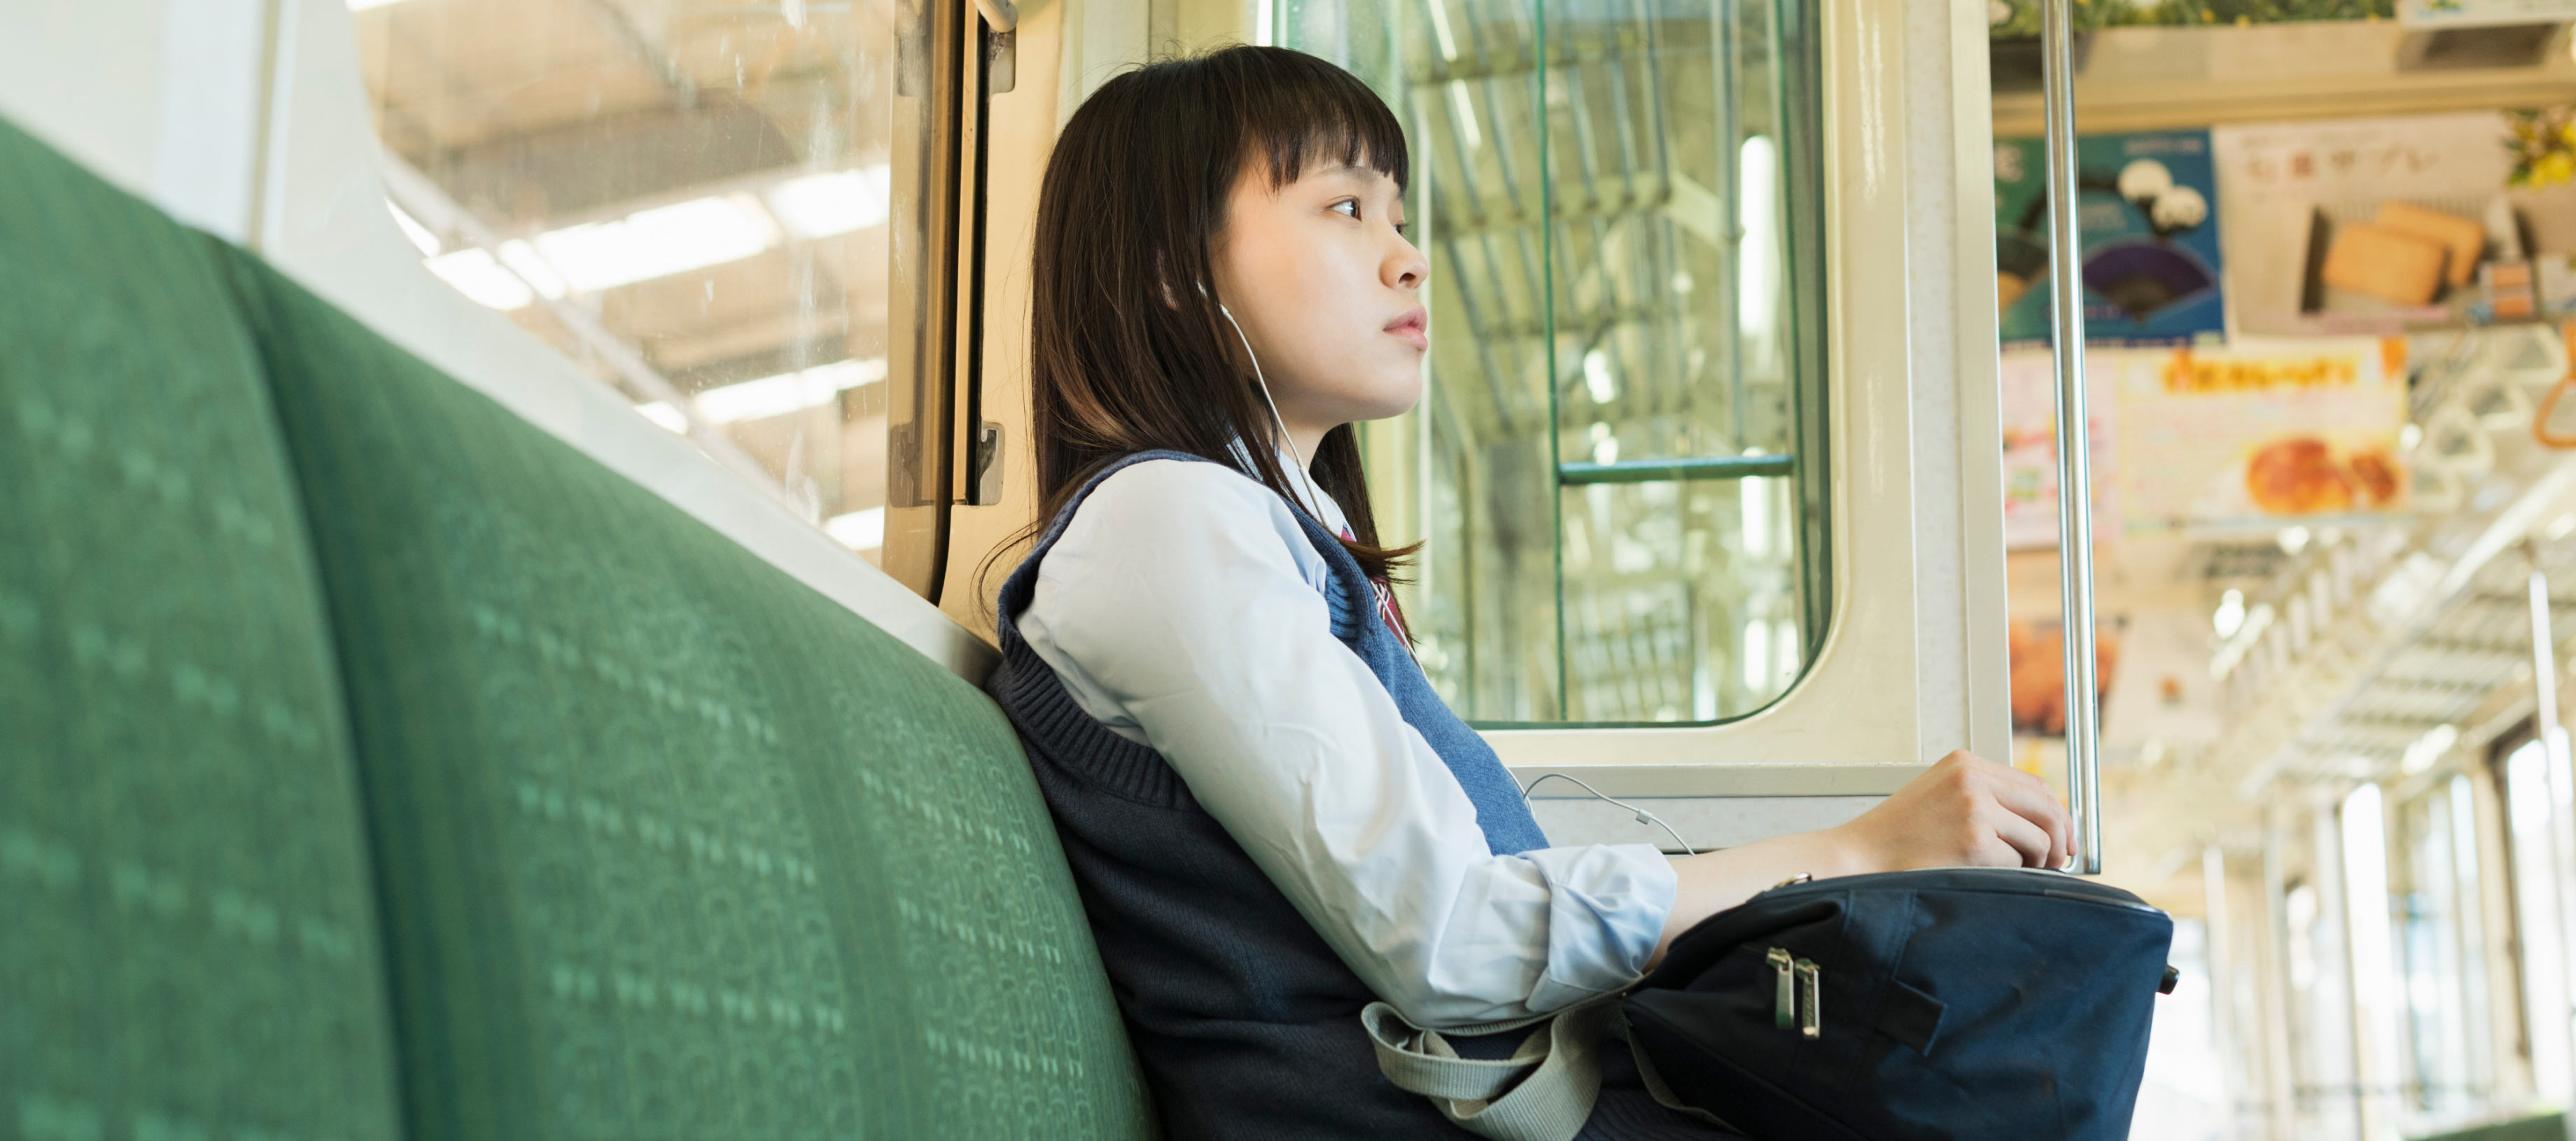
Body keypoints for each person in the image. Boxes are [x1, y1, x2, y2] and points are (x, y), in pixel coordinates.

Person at [981, 44, 2074, 1140]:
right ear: (1173, 267)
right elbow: (1451, 938)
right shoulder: (1166, 523)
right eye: (1347, 208)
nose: (1408, 258)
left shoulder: (1265, 535)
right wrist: (1863, 849)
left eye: (1399, 215)